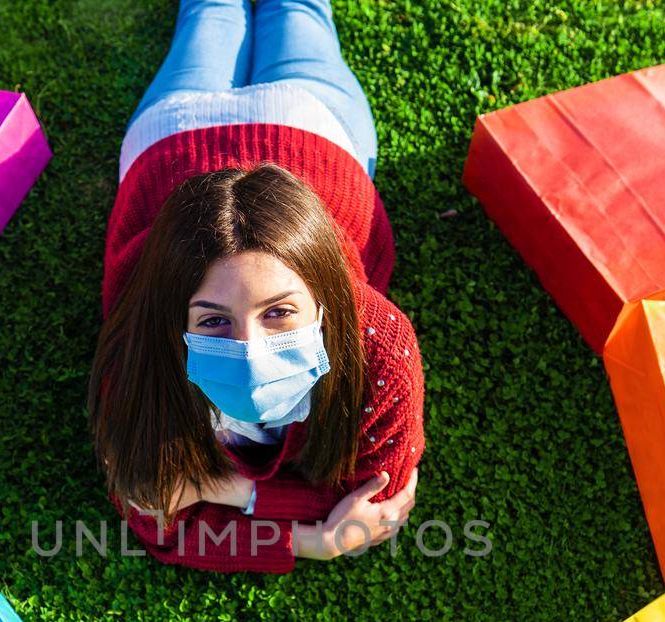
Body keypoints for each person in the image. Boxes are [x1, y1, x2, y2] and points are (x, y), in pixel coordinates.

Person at [90, 0, 423, 572]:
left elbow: (382, 498)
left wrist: (227, 491)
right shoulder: (138, 349)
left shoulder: (379, 340)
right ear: (174, 315)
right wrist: (312, 539)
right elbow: (157, 524)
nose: (249, 346)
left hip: (300, 130)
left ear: (324, 299)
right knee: (221, 10)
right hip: (186, 139)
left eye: (279, 312)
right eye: (214, 319)